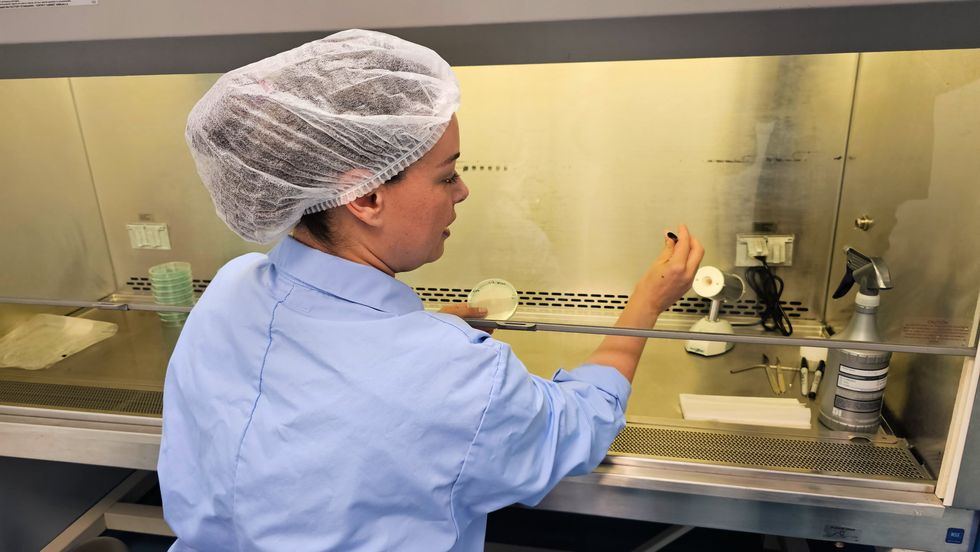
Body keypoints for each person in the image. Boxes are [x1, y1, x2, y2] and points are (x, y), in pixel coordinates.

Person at [158, 29, 703, 551]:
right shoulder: (453, 377)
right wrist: (647, 301)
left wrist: (419, 331)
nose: (462, 191)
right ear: (365, 197)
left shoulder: (232, 289)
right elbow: (580, 425)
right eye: (446, 176)